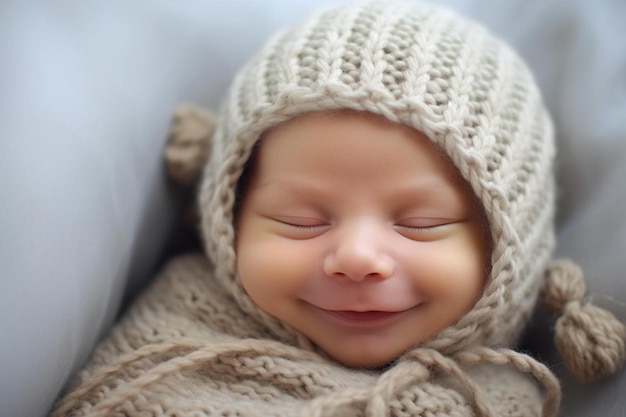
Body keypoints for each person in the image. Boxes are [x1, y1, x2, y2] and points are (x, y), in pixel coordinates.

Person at [53, 1, 625, 416]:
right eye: (300, 221)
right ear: (227, 216)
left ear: (510, 248)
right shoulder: (170, 343)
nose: (355, 258)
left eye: (421, 224)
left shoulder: (497, 395)